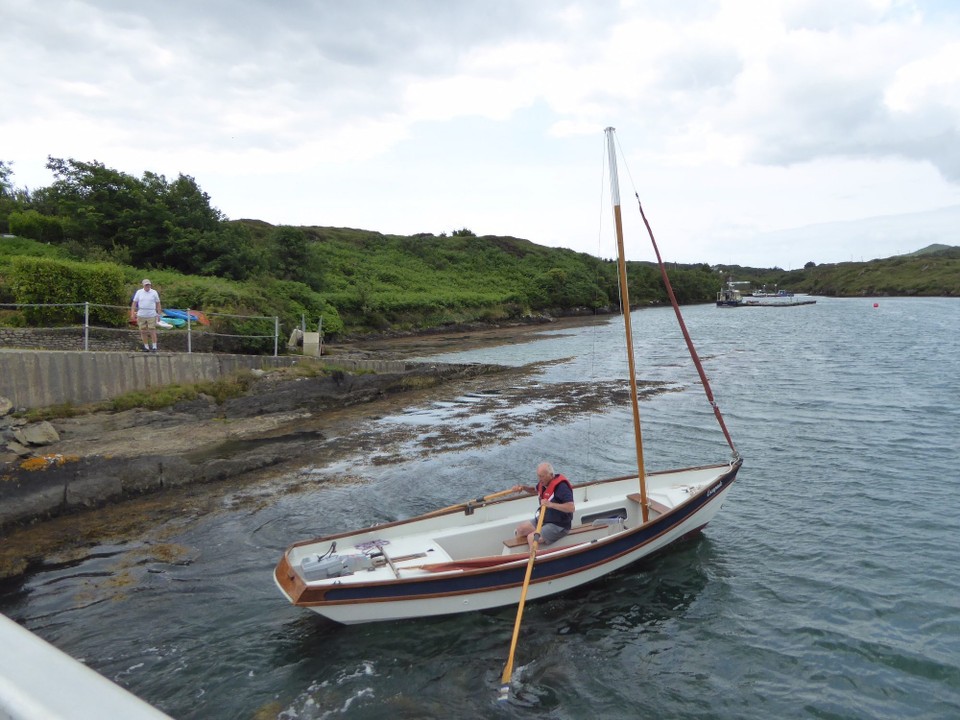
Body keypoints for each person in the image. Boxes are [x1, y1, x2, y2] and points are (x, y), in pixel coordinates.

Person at [512, 462, 575, 548]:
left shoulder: (562, 487)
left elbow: (571, 507)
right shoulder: (543, 484)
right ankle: (519, 556)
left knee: (532, 538)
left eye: (542, 476)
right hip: (545, 519)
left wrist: (551, 504)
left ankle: (535, 559)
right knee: (521, 529)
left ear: (551, 475)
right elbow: (535, 490)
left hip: (559, 525)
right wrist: (523, 488)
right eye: (538, 476)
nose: (540, 479)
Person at [130, 279, 162, 352]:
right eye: (146, 285)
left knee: (152, 330)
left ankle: (154, 347)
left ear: (150, 285)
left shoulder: (154, 292)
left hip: (151, 315)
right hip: (141, 315)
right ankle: (146, 347)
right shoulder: (139, 292)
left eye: (149, 285)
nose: (147, 286)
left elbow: (158, 303)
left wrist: (159, 315)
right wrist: (132, 313)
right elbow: (134, 303)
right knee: (143, 331)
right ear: (143, 285)